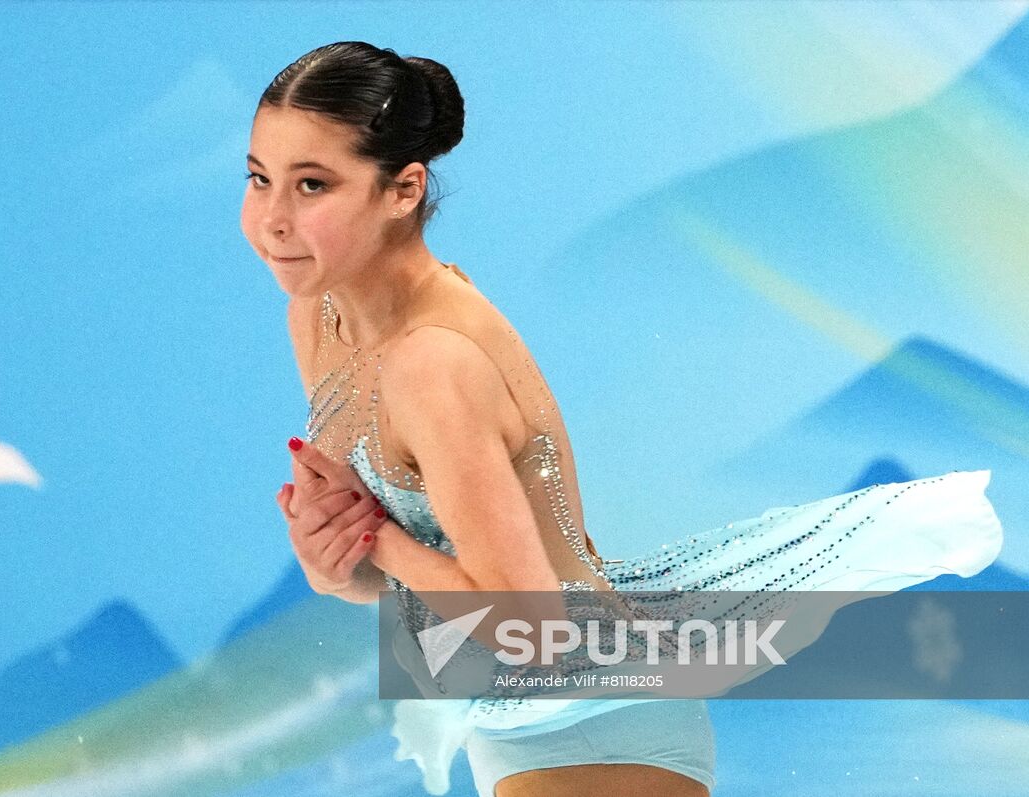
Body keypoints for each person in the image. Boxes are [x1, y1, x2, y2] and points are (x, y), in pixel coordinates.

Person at [242, 41, 1003, 797]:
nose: (273, 218)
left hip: (589, 710)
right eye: (259, 179)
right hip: (498, 711)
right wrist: (335, 559)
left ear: (403, 190)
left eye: (312, 185)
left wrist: (380, 539)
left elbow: (531, 633)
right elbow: (392, 577)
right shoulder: (318, 316)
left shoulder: (432, 365)